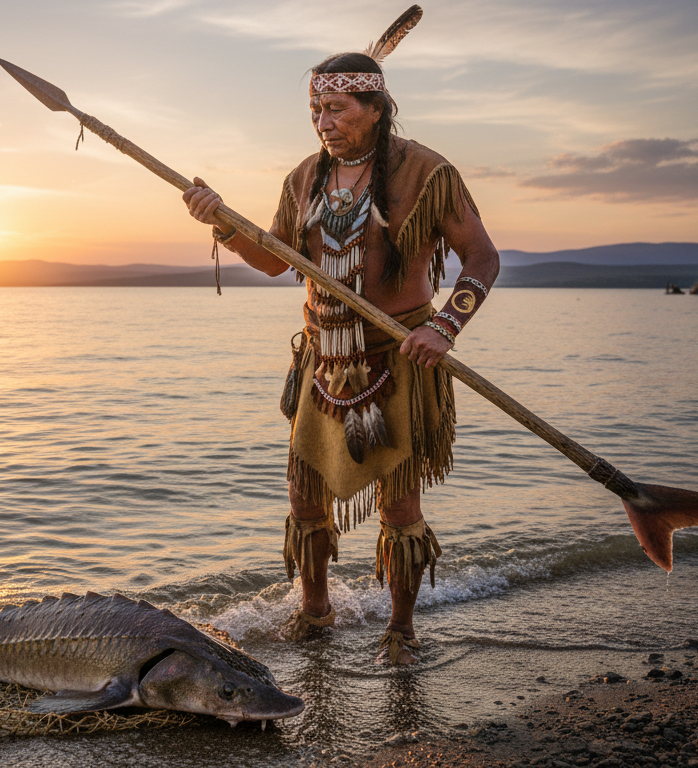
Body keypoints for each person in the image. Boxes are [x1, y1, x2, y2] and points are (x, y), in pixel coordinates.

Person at [180, 18, 500, 665]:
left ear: (375, 108)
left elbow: (483, 260)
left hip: (399, 360)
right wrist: (222, 224)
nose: (323, 122)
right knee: (304, 497)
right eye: (314, 110)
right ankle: (315, 610)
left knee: (398, 503)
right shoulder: (304, 179)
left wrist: (444, 327)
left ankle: (402, 630)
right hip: (323, 363)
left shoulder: (427, 172)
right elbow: (275, 260)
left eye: (336, 108)